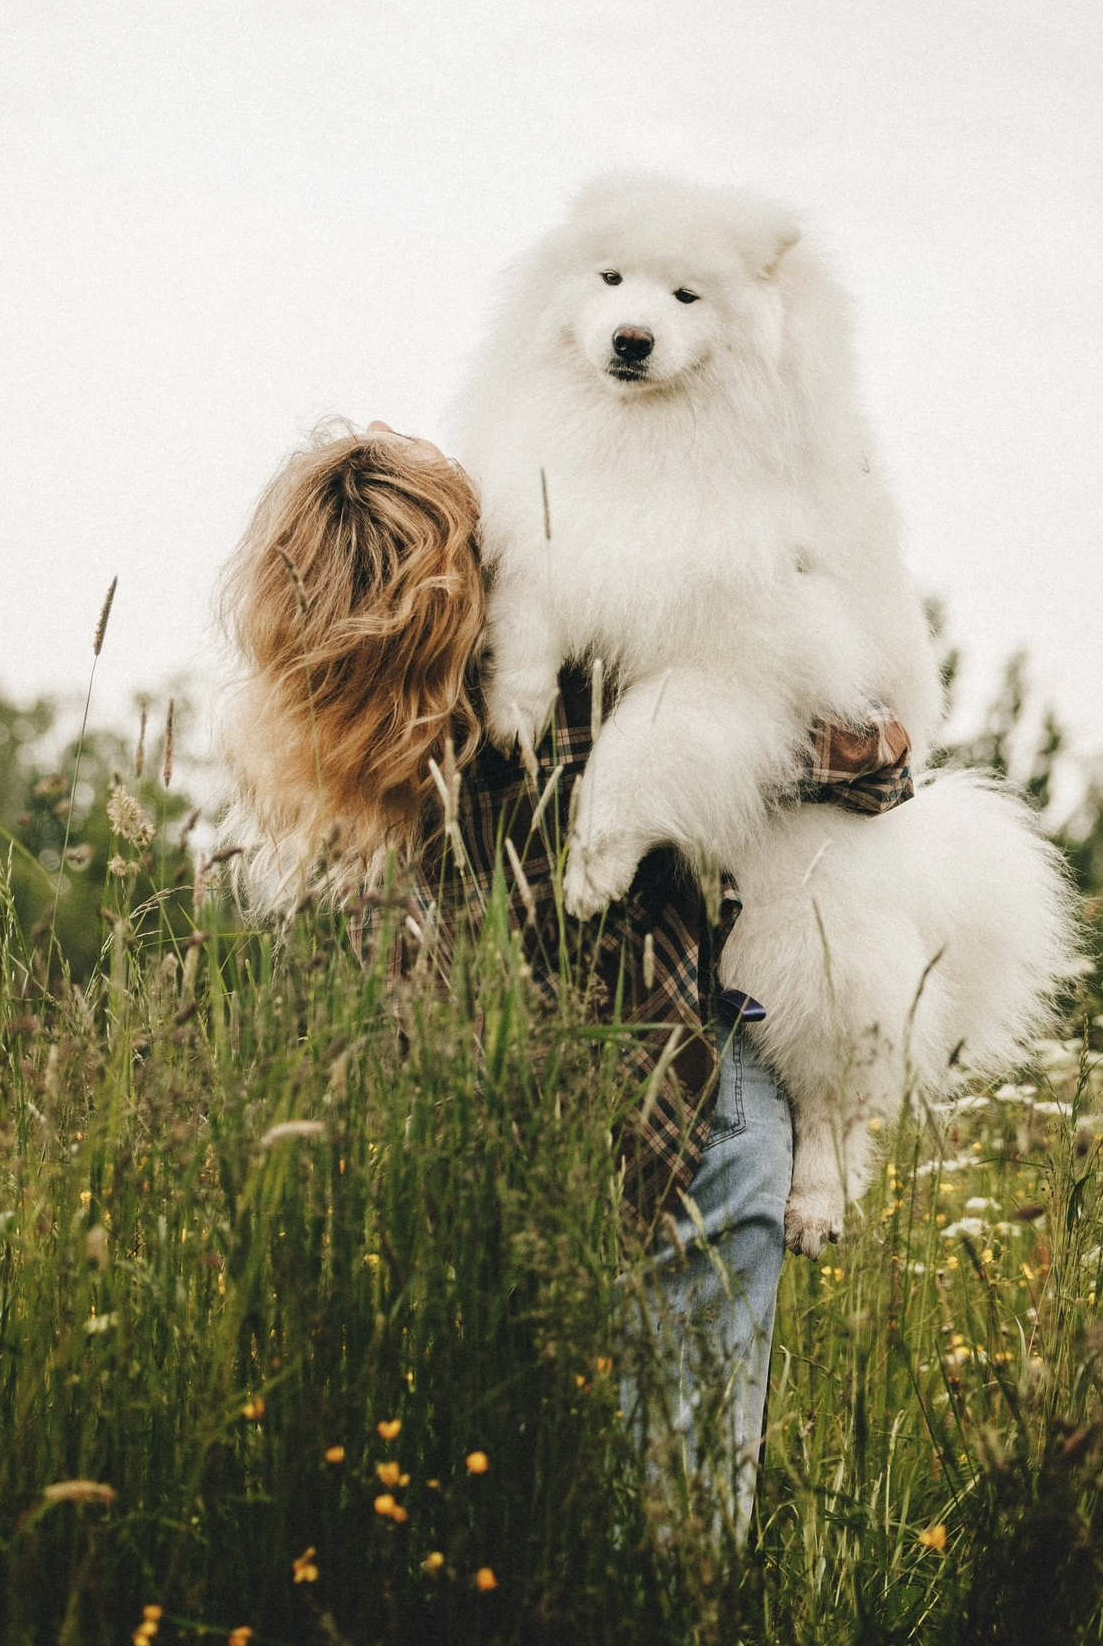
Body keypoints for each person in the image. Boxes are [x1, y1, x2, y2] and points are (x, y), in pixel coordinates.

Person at [215, 424, 912, 1529]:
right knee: (678, 1536)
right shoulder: (590, 673)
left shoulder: (344, 768)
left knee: (537, 1540)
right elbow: (879, 763)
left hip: (522, 1160)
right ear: (470, 553)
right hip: (694, 1121)